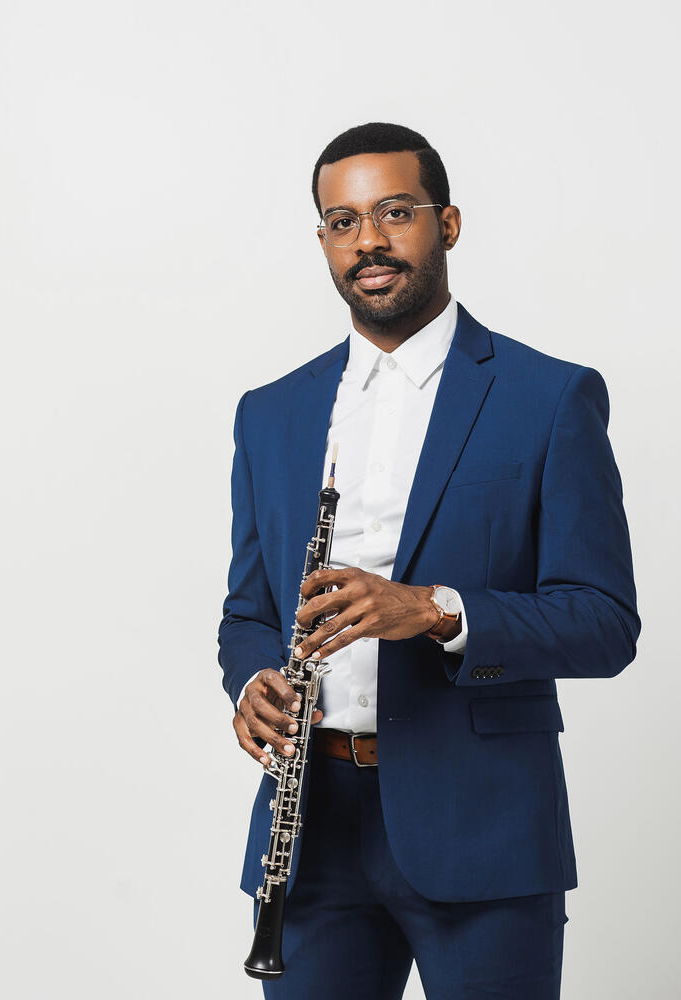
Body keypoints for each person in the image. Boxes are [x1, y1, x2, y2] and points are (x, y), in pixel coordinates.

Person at [218, 122, 640, 999]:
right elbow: (249, 611)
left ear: (446, 224)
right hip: (313, 835)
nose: (367, 241)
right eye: (342, 221)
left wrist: (436, 611)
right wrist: (255, 680)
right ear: (324, 241)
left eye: (394, 212)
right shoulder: (270, 412)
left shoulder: (549, 397)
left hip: (483, 826)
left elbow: (604, 622)